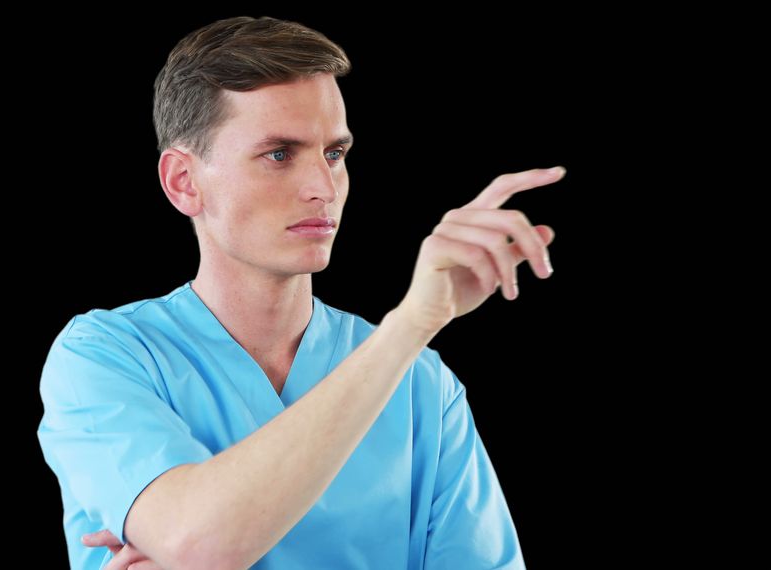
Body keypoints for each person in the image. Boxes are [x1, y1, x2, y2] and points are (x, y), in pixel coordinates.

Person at [38, 15, 561, 570]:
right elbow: (201, 543)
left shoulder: (421, 386)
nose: (323, 188)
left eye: (334, 154)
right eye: (280, 154)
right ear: (183, 182)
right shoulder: (104, 356)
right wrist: (410, 324)